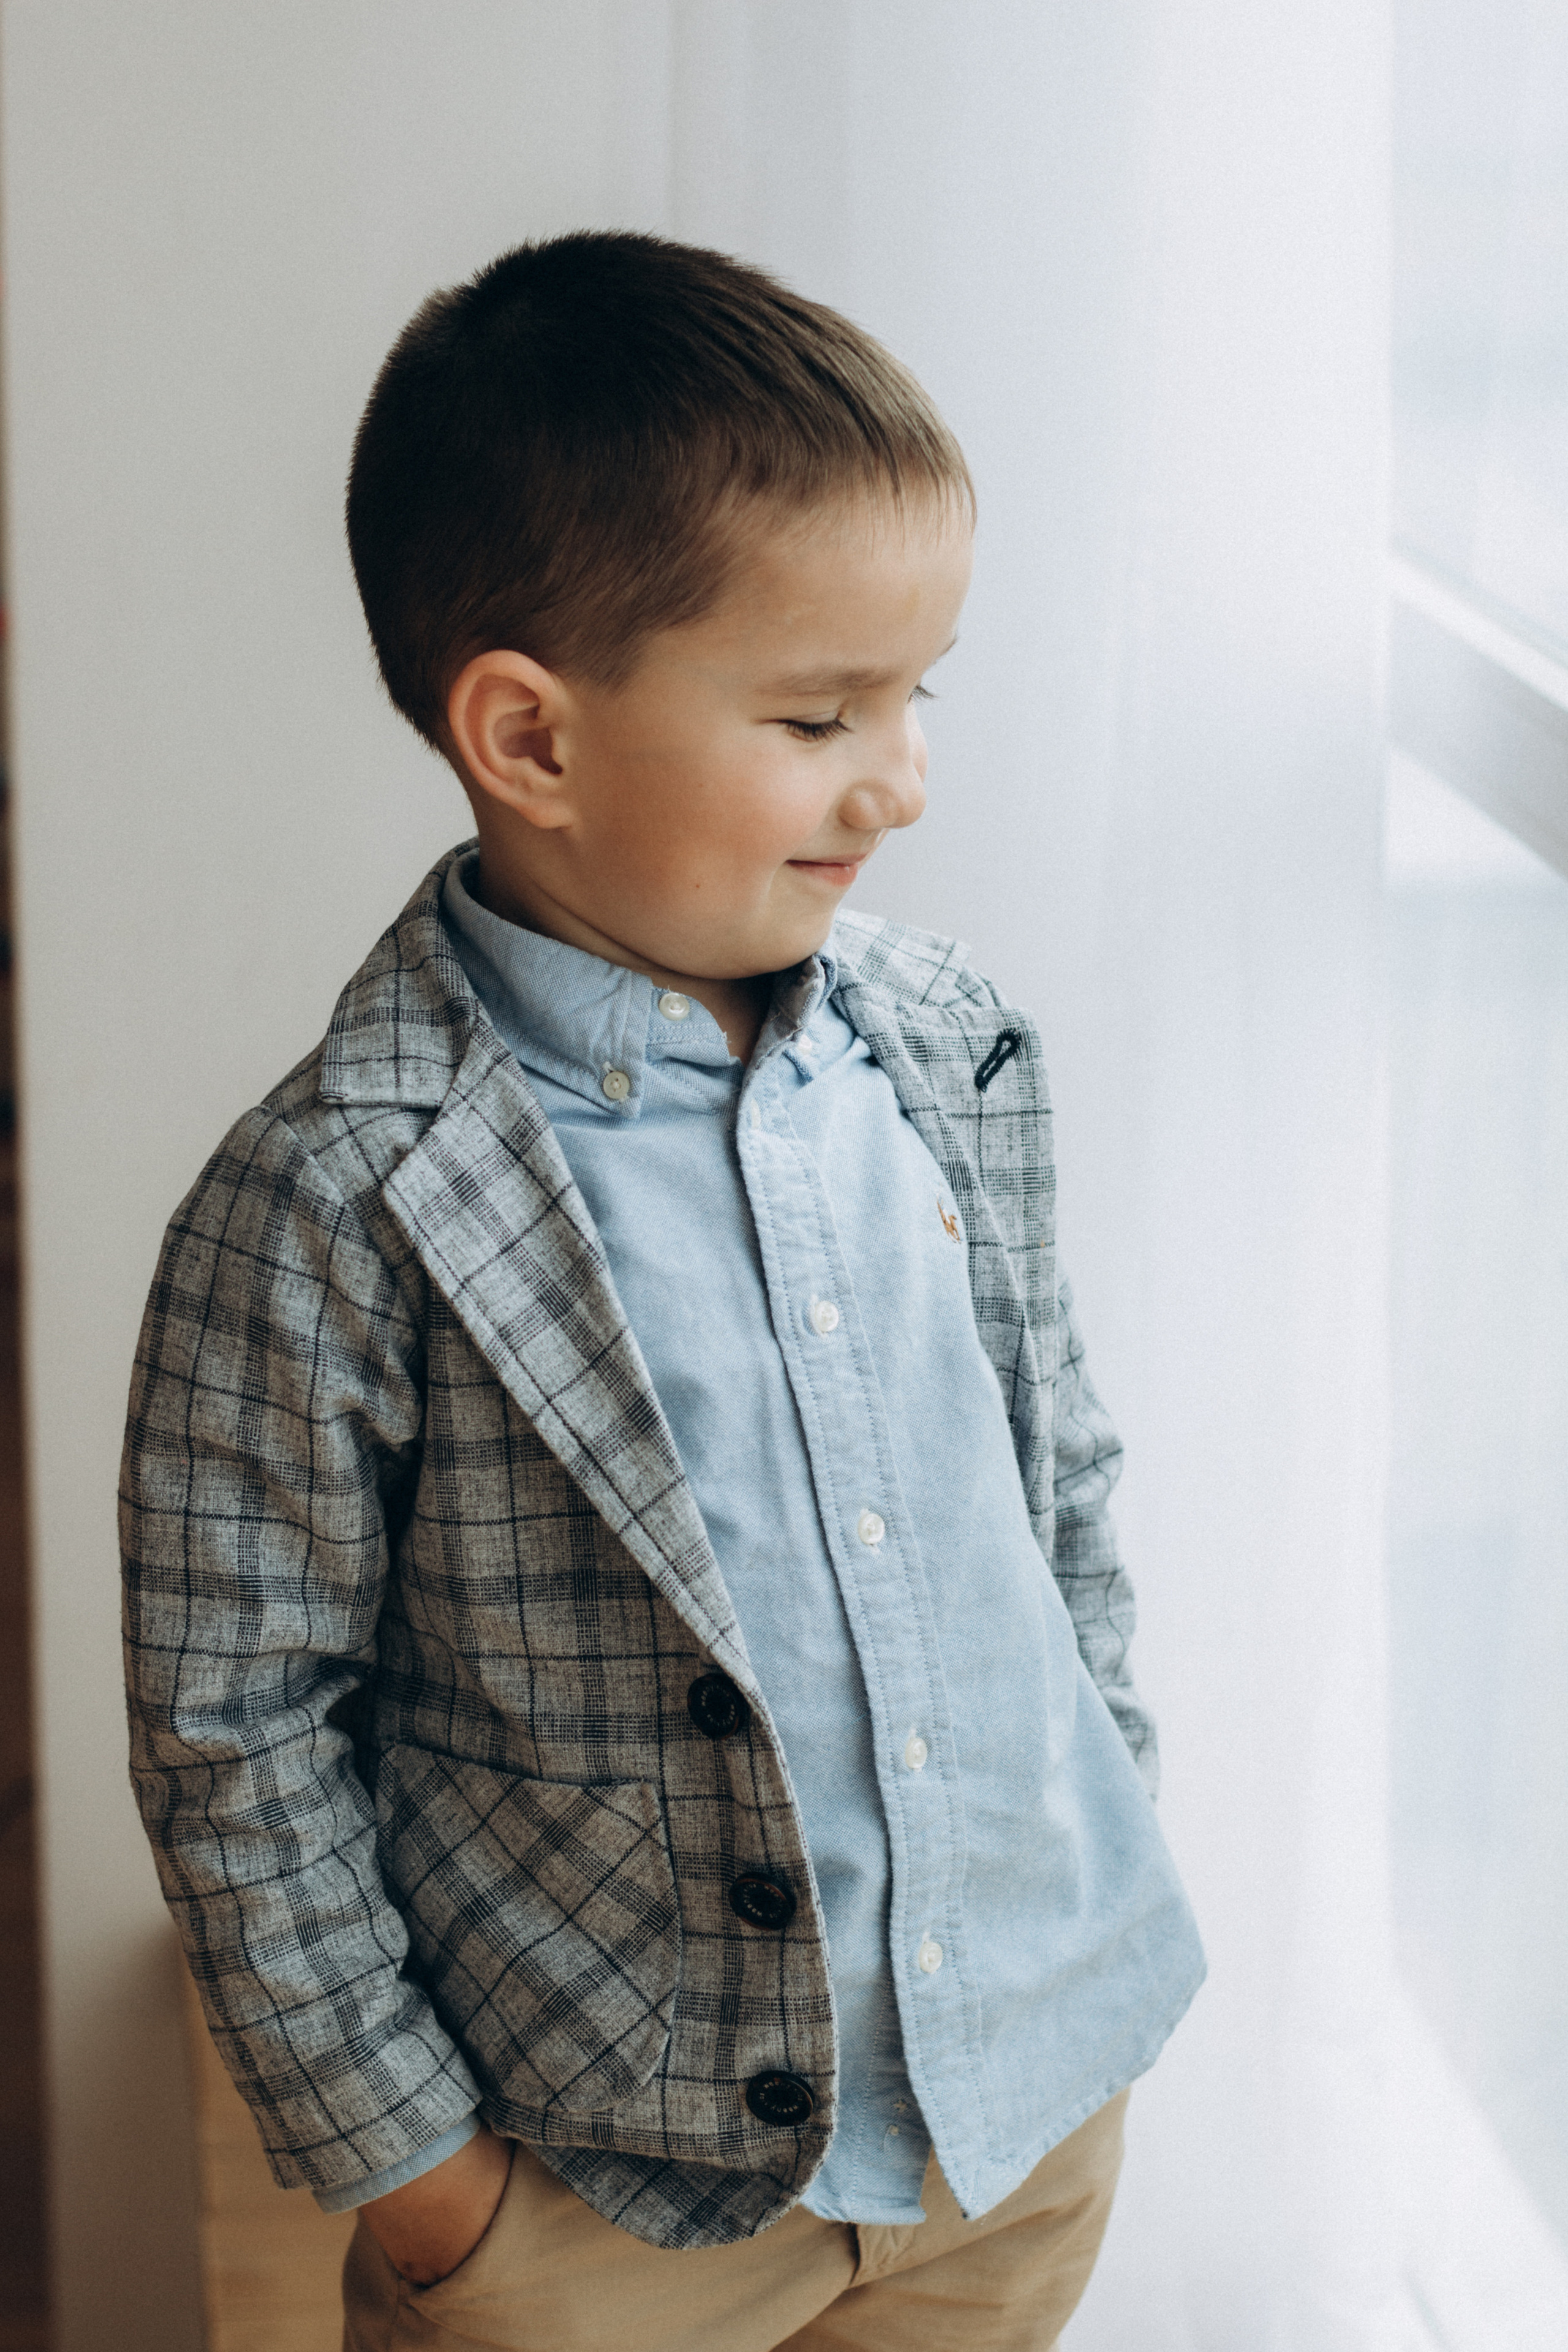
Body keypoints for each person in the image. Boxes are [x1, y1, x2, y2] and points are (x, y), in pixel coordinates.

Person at [121, 230, 1204, 2352]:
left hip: (1009, 2124)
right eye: (819, 715)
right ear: (529, 736)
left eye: (919, 696)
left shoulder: (952, 1052)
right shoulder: (333, 1196)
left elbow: (1054, 1480)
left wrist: (1102, 1842)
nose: (900, 780)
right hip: (597, 2211)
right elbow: (235, 1733)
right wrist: (433, 2199)